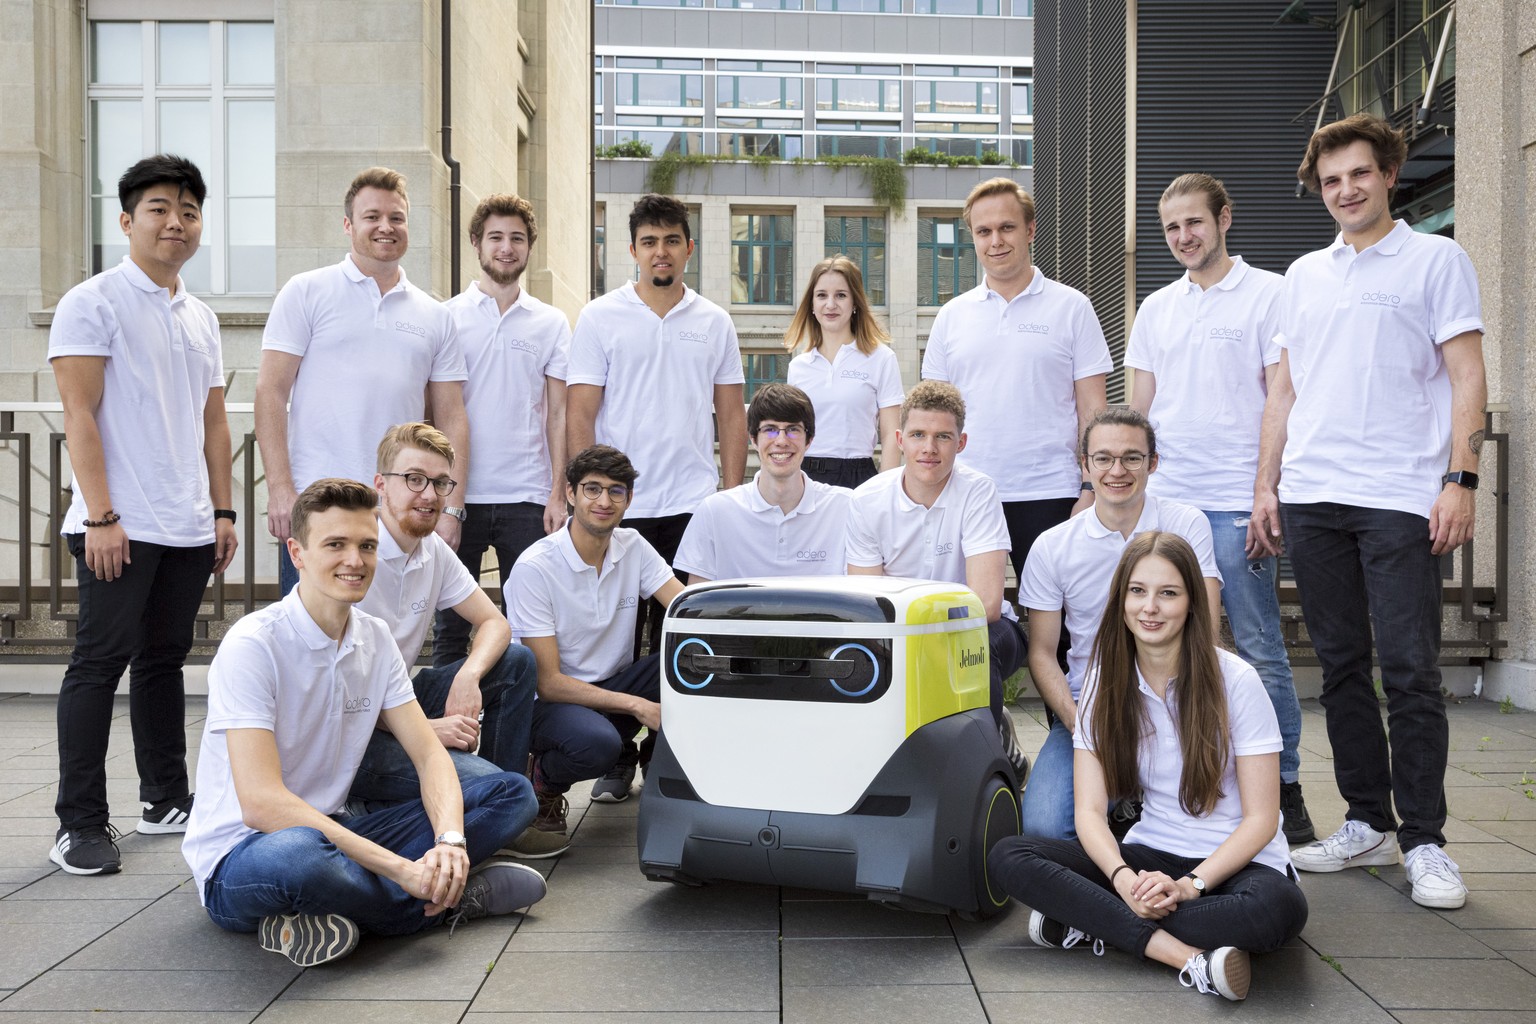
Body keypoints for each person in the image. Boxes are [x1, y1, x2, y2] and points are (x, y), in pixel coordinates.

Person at [1252, 113, 1487, 910]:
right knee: (1343, 667)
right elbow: (1282, 391)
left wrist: (1461, 477)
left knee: (1412, 670)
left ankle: (1425, 840)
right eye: (1330, 181)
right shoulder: (1303, 275)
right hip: (1313, 497)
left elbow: (1466, 375)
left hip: (1398, 497)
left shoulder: (1436, 259)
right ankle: (1365, 822)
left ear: (1389, 175)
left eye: (1358, 174)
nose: (1345, 190)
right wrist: (1266, 487)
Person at [182, 479, 545, 968]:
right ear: (298, 553)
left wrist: (450, 841)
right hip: (246, 856)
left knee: (512, 793)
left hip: (337, 829)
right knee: (299, 855)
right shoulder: (255, 645)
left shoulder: (373, 638)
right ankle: (438, 905)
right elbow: (262, 805)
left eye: (367, 546)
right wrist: (403, 869)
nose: (355, 560)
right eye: (335, 544)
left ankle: (332, 912)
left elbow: (429, 754)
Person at [989, 532, 1308, 1003]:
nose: (1150, 607)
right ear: (1120, 600)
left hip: (1234, 867)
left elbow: (1262, 820)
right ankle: (1186, 958)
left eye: (1168, 593)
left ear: (1192, 604)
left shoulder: (1236, 681)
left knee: (1277, 910)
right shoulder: (1104, 680)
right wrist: (1122, 879)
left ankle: (1095, 923)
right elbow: (1090, 814)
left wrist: (1189, 886)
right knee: (1009, 856)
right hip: (1149, 856)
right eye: (1138, 591)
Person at [48, 154, 238, 876]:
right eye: (159, 208)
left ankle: (164, 799)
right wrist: (100, 516)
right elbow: (80, 415)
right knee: (97, 666)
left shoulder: (200, 316)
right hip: (118, 524)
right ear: (128, 220)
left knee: (164, 664)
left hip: (187, 524)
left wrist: (221, 509)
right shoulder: (92, 301)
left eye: (188, 211)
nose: (176, 222)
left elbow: (213, 423)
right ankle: (79, 823)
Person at [1125, 173, 1313, 844]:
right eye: (1172, 228)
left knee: (1259, 646)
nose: (1183, 237)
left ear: (1224, 218)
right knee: (1163, 645)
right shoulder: (1155, 308)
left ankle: (1284, 787)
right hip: (1168, 505)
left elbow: (1280, 396)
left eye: (1194, 223)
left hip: (1237, 503)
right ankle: (1172, 785)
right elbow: (1139, 410)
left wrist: (1269, 489)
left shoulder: (1270, 294)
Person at [256, 166, 469, 595]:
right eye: (372, 217)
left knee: (386, 642)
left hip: (397, 508)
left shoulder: (435, 315)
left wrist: (452, 509)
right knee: (309, 638)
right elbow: (270, 392)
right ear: (349, 225)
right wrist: (280, 488)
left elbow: (451, 418)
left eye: (397, 217)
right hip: (316, 504)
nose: (386, 227)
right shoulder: (306, 292)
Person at [350, 423, 558, 859]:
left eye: (440, 483)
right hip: (349, 735)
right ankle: (376, 815)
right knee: (507, 793)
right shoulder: (355, 557)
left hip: (394, 702)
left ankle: (498, 808)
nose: (428, 494)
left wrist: (469, 674)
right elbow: (344, 695)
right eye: (414, 479)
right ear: (379, 485)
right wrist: (424, 730)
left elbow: (495, 624)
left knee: (515, 661)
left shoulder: (432, 550)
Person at [1018, 408, 1221, 839]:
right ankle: (1120, 804)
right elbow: (1041, 652)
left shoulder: (1186, 524)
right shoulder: (1053, 546)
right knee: (1044, 829)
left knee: (1207, 819)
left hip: (1179, 703)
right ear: (1085, 464)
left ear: (1153, 463)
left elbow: (1207, 631)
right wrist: (1079, 723)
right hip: (1094, 708)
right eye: (1104, 458)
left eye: (1132, 457)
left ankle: (1133, 804)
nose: (1117, 470)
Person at [566, 194, 747, 654]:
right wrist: (589, 494)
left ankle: (675, 728)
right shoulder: (600, 317)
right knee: (615, 638)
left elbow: (730, 415)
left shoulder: (715, 322)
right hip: (621, 504)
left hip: (693, 504)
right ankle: (619, 728)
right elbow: (581, 413)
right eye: (649, 242)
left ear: (689, 248)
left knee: (687, 635)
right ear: (633, 251)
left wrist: (728, 495)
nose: (660, 251)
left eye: (671, 240)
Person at [922, 177, 1112, 577]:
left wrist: (1090, 487)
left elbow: (1093, 410)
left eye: (1007, 228)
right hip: (965, 492)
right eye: (983, 231)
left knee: (1060, 623)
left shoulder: (1073, 307)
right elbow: (933, 416)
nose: (996, 241)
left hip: (1051, 493)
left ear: (1030, 230)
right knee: (961, 615)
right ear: (972, 237)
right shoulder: (951, 316)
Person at [845, 380, 1029, 778]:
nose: (929, 448)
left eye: (943, 436)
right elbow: (865, 605)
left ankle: (987, 770)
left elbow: (986, 604)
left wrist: (923, 632)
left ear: (961, 443)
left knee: (975, 650)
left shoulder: (978, 491)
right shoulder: (866, 500)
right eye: (918, 435)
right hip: (899, 630)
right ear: (899, 440)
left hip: (985, 628)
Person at [506, 446, 686, 841]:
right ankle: (543, 779)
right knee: (598, 745)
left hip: (611, 684)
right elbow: (548, 682)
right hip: (549, 705)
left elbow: (685, 608)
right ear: (570, 494)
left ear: (629, 499)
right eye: (592, 489)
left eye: (616, 491)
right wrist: (636, 705)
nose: (604, 501)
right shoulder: (536, 567)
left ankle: (687, 783)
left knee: (688, 662)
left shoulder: (633, 546)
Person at [434, 193, 570, 667]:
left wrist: (558, 493)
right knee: (450, 627)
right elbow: (436, 415)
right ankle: (446, 735)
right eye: (496, 237)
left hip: (527, 497)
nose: (506, 247)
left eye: (516, 238)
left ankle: (521, 734)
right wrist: (444, 498)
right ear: (476, 243)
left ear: (529, 246)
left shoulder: (551, 323)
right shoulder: (446, 317)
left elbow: (558, 415)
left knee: (530, 626)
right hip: (460, 499)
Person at [674, 383, 852, 583]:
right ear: (753, 438)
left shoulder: (846, 507)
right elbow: (698, 603)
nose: (782, 440)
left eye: (793, 429)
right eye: (770, 429)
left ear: (809, 439)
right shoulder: (715, 511)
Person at [783, 255, 903, 488]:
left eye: (841, 295)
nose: (830, 304)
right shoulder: (798, 366)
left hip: (858, 477)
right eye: (821, 295)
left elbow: (891, 437)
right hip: (805, 479)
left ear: (855, 302)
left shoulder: (881, 358)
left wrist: (885, 492)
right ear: (812, 304)